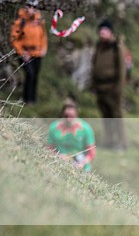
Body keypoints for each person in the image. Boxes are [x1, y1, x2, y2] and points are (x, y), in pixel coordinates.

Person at [90, 19, 131, 150]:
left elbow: (122, 69)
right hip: (100, 87)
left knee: (116, 115)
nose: (102, 33)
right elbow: (94, 64)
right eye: (100, 31)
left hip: (113, 88)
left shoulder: (116, 47)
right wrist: (94, 85)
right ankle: (109, 140)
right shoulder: (99, 46)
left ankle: (121, 142)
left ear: (111, 32)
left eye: (105, 31)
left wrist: (118, 88)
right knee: (105, 114)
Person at [9, 0, 48, 104]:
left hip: (37, 53)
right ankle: (26, 99)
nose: (31, 9)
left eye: (34, 7)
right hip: (25, 53)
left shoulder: (39, 22)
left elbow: (43, 36)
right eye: (29, 6)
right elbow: (14, 39)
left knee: (35, 75)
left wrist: (44, 48)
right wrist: (22, 52)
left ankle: (33, 100)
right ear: (25, 7)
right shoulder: (20, 22)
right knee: (29, 74)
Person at [47, 99, 96, 171]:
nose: (69, 119)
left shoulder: (86, 129)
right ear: (63, 114)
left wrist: (83, 162)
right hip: (59, 165)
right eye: (67, 116)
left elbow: (91, 152)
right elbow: (49, 148)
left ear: (76, 114)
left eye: (71, 116)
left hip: (81, 168)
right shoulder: (53, 127)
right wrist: (57, 156)